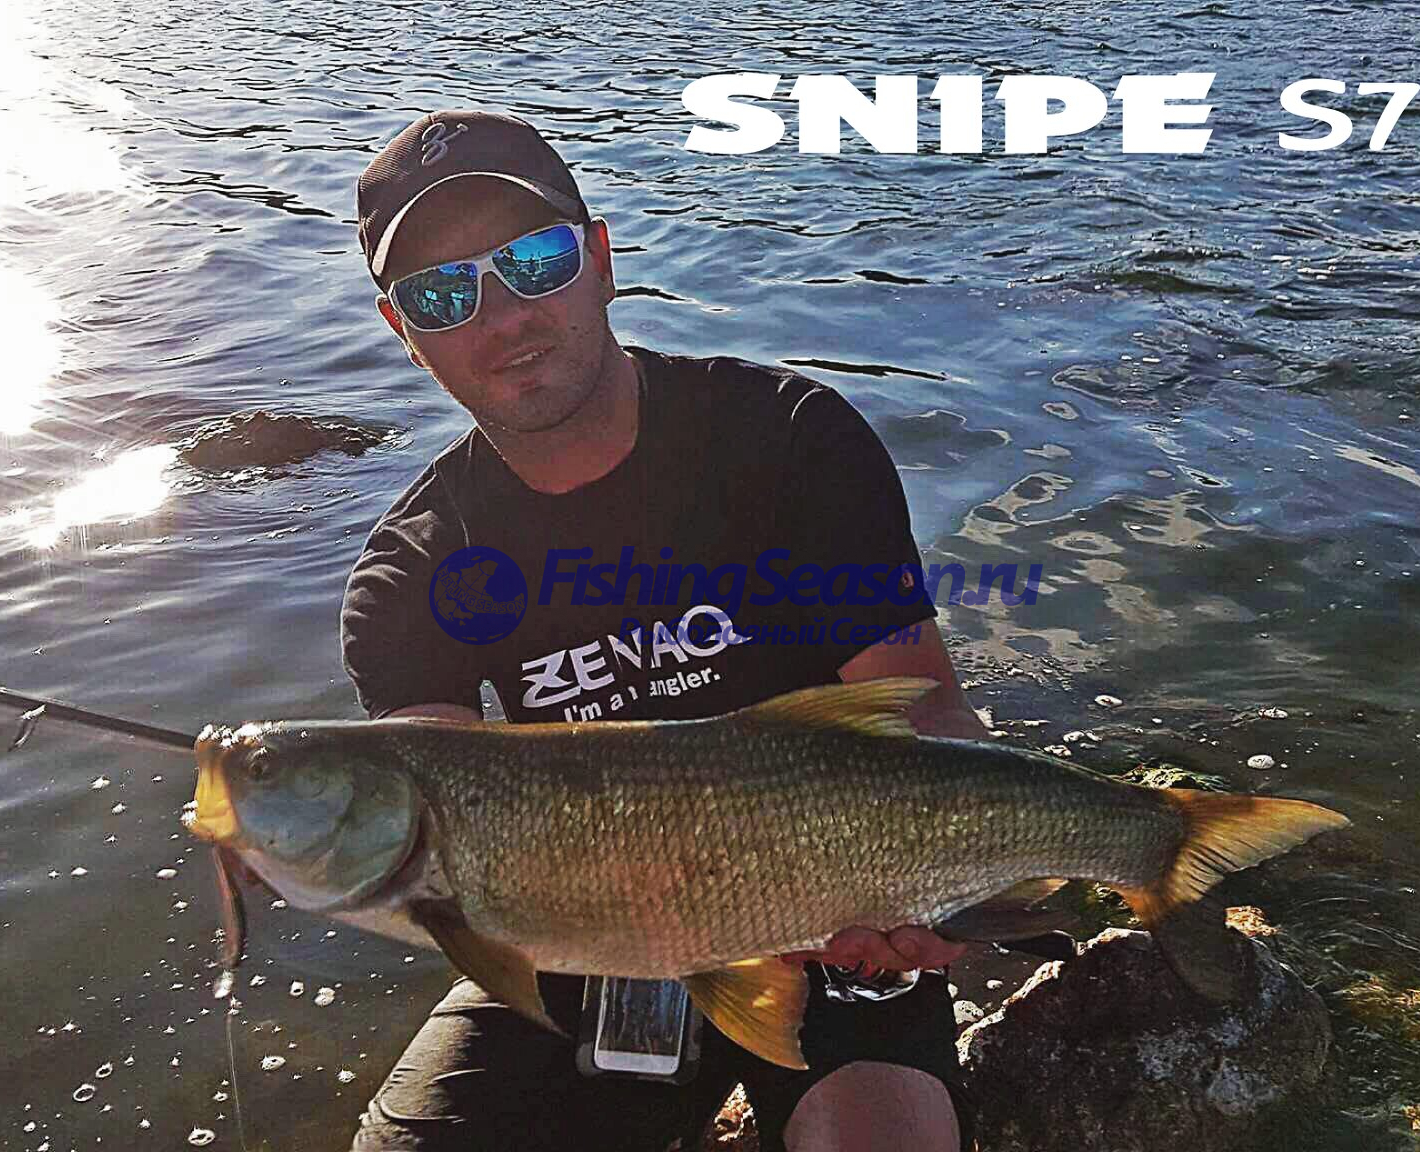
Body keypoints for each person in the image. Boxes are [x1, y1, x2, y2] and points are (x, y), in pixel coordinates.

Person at [340, 109, 992, 1152]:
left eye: (534, 260)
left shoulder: (790, 439)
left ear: (600, 260)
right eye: (442, 294)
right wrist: (294, 835)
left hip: (837, 907)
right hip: (586, 943)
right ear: (402, 331)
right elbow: (431, 834)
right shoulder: (411, 573)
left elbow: (929, 716)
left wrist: (936, 890)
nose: (501, 315)